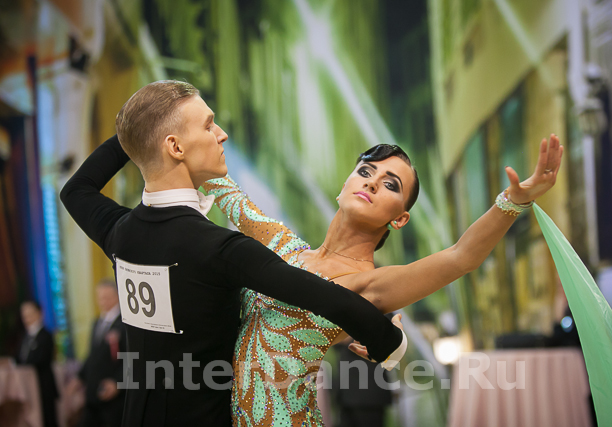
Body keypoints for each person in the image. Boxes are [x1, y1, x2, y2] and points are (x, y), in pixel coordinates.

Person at [60, 80, 406, 427]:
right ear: (175, 146)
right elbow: (323, 295)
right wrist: (389, 340)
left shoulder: (120, 233)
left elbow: (75, 190)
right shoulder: (218, 248)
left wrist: (140, 131)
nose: (221, 134)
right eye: (209, 125)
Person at [202, 134, 563, 426]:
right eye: (365, 171)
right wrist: (203, 130)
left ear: (400, 219)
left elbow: (461, 257)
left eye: (390, 184)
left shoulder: (370, 284)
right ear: (343, 186)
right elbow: (223, 188)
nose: (372, 182)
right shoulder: (283, 247)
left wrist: (512, 201)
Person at [74, 279, 126, 427]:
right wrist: (79, 377)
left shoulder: (125, 323)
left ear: (117, 296)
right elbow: (93, 354)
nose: (103, 301)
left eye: (107, 297)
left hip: (113, 394)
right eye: (100, 297)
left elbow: (132, 356)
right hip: (93, 391)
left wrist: (118, 382)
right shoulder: (97, 322)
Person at [16, 301, 59, 427]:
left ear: (39, 313)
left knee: (48, 419)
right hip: (28, 386)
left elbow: (41, 359)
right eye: (24, 316)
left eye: (30, 314)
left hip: (43, 386)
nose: (27, 319)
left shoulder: (46, 335)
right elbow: (19, 358)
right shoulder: (25, 337)